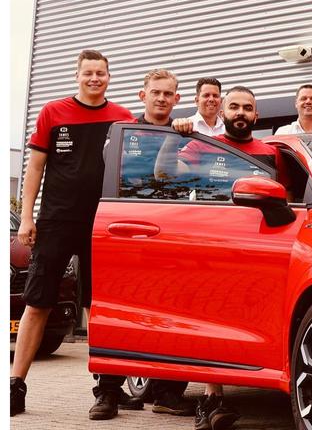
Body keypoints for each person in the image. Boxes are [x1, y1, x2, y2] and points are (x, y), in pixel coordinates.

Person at [10, 50, 135, 420]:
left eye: (101, 73)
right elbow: (35, 168)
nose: (94, 78)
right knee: (38, 302)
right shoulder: (53, 112)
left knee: (99, 306)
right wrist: (27, 217)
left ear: (109, 77)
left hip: (103, 223)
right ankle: (15, 386)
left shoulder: (123, 117)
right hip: (56, 220)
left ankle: (107, 390)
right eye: (88, 73)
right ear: (77, 75)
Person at [166, 85, 281, 430]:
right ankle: (211, 399)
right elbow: (165, 175)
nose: (240, 113)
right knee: (213, 318)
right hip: (214, 244)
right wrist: (173, 138)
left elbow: (286, 196)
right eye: (234, 107)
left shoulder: (269, 153)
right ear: (223, 112)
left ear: (256, 115)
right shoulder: (204, 144)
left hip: (259, 245)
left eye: (247, 107)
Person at [119, 70, 198, 417]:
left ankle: (167, 393)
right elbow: (114, 172)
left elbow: (182, 176)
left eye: (168, 94)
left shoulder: (185, 135)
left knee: (174, 313)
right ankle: (107, 391)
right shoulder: (124, 133)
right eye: (156, 92)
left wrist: (179, 136)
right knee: (125, 313)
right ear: (143, 95)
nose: (162, 98)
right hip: (129, 232)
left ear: (177, 99)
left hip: (171, 234)